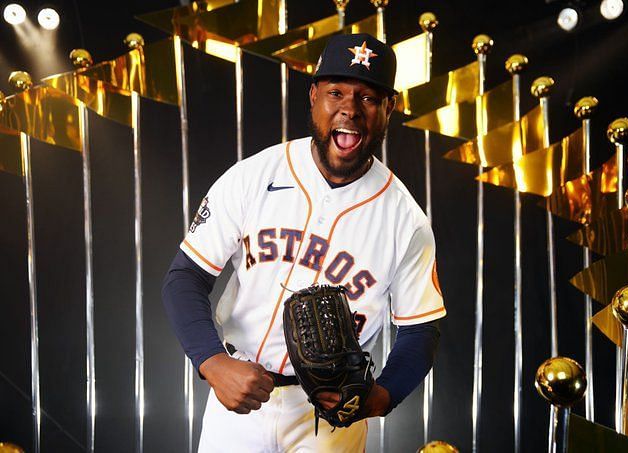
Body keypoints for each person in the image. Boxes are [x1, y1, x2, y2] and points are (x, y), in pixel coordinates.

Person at [162, 33, 446, 452]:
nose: (349, 109)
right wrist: (212, 362)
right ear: (314, 96)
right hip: (237, 392)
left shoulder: (406, 220)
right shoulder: (254, 175)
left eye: (367, 97)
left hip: (331, 417)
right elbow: (184, 278)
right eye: (336, 92)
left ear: (390, 107)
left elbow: (421, 329)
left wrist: (379, 398)